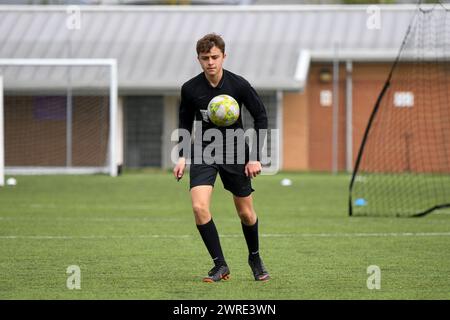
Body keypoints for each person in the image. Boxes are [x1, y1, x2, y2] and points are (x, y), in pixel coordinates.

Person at [173, 33, 270, 282]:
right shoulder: (191, 88)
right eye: (205, 58)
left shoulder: (239, 85)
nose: (210, 62)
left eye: (215, 57)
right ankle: (220, 265)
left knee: (246, 214)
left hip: (236, 150)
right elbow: (184, 122)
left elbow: (260, 117)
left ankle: (255, 258)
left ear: (224, 57)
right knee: (198, 206)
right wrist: (182, 156)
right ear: (199, 59)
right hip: (204, 151)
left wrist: (255, 157)